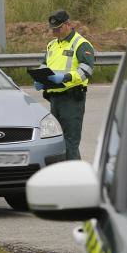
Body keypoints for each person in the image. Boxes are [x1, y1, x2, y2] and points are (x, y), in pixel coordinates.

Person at [35, 10, 95, 160]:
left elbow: (86, 70)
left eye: (58, 28)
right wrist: (40, 79)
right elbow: (45, 65)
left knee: (70, 142)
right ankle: (71, 174)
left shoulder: (81, 44)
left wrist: (65, 77)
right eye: (53, 29)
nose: (55, 32)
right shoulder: (52, 45)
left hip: (72, 99)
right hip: (54, 99)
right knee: (58, 141)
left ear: (68, 24)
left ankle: (74, 178)